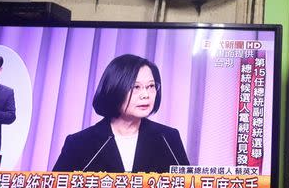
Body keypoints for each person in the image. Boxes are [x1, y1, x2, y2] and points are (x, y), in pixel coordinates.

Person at [52, 54, 189, 172]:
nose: (146, 95)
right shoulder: (79, 143)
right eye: (136, 87)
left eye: (151, 86)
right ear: (115, 89)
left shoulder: (168, 138)